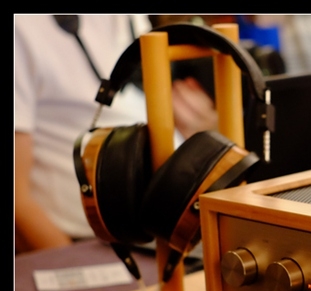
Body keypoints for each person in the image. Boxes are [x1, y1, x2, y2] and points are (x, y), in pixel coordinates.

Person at [14, 15, 218, 254]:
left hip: (170, 236)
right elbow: (18, 199)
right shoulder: (21, 28)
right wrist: (72, 266)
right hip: (86, 246)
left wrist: (200, 129)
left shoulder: (129, 18)